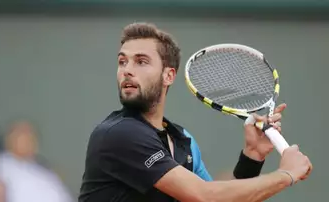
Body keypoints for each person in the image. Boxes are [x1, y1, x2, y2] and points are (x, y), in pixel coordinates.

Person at [78, 23, 312, 202]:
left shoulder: (183, 141)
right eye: (122, 62)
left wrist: (252, 156)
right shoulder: (118, 134)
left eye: (141, 62)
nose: (127, 71)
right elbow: (205, 196)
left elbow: (219, 197)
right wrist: (286, 174)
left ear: (168, 76)